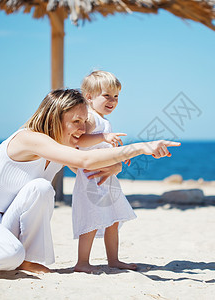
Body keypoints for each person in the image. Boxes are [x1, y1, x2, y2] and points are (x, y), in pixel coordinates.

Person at [0, 89, 180, 277]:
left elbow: (87, 164)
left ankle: (26, 260)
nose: (82, 128)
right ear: (55, 118)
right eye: (75, 122)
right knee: (10, 253)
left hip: (7, 221)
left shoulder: (61, 144)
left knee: (42, 189)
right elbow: (85, 160)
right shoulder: (29, 138)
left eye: (84, 121)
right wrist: (140, 147)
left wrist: (118, 164)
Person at [71, 71, 135, 273]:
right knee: (91, 219)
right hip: (91, 178)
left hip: (107, 179)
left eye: (116, 96)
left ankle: (113, 260)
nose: (112, 101)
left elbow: (105, 147)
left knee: (113, 220)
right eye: (106, 95)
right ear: (89, 96)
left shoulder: (103, 121)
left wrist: (120, 155)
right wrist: (103, 137)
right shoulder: (89, 118)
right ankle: (82, 262)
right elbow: (79, 141)